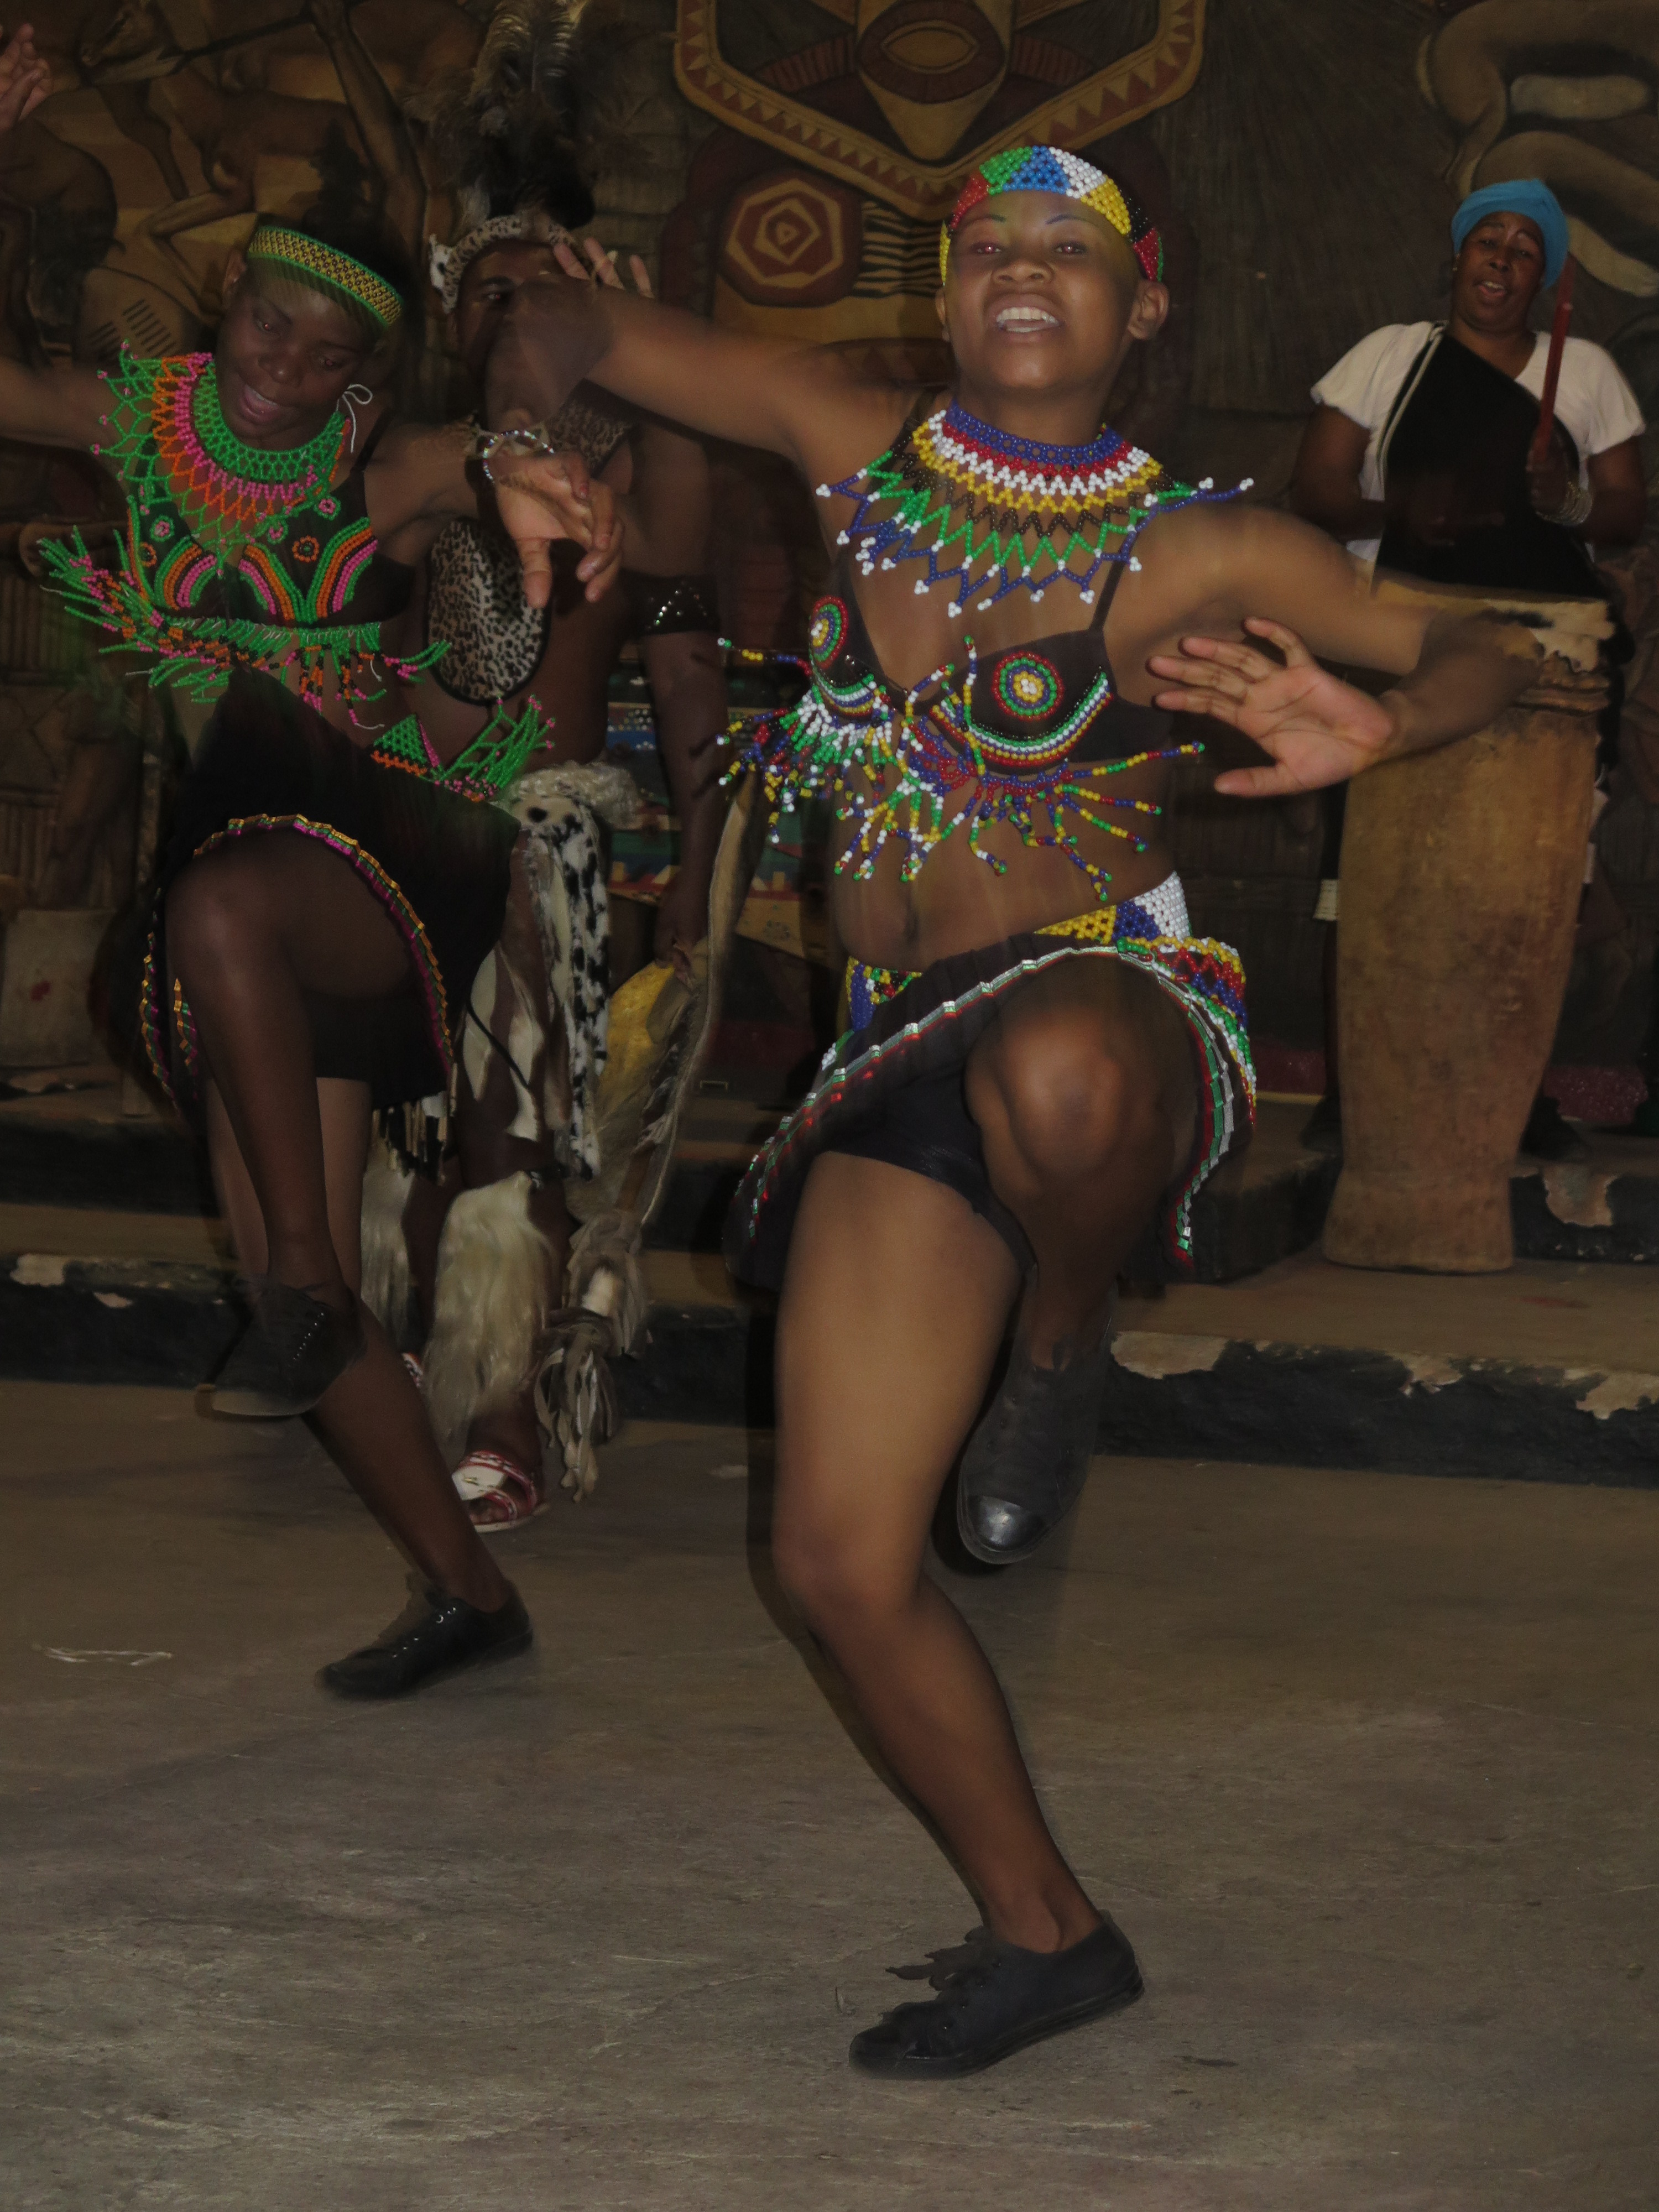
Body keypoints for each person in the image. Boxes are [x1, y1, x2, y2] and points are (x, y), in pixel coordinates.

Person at [484, 143, 1541, 2075]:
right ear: (945, 288)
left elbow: (1481, 645)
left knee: (1054, 1055)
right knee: (831, 1558)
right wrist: (517, 442)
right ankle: (1049, 1932)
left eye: (1075, 251)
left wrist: (1387, 720)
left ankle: (1064, 1333)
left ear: (1142, 311)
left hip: (1119, 1016)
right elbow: (554, 321)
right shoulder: (843, 444)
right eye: (990, 248)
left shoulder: (1205, 545)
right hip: (893, 1041)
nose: (1024, 271)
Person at [0, 25, 622, 1699]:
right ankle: (467, 1593)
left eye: (331, 346)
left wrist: (518, 472)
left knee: (212, 890)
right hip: (253, 936)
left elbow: (473, 467)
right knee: (305, 1265)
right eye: (269, 321)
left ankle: (292, 1300)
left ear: (362, 371)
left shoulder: (376, 462)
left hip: (391, 866)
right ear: (225, 313)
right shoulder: (135, 426)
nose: (288, 361)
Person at [374, 208, 728, 1527]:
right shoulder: (418, 457)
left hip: (539, 833)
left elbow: (689, 675)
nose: (512, 312)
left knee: (505, 1130)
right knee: (402, 1132)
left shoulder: (650, 466)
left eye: (542, 291)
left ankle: (508, 1405)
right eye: (487, 292)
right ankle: (422, 1360)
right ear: (453, 318)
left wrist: (698, 864)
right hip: (399, 819)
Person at [1290, 179, 1646, 1160]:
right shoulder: (1390, 357)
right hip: (1396, 630)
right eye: (1486, 239)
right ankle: (1355, 1092)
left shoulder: (1590, 374)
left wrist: (1566, 499)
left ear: (1547, 278)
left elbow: (1625, 511)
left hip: (1545, 649)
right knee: (1365, 874)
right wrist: (1394, 517)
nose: (1500, 257)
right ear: (1455, 259)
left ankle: (1507, 1095)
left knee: (1525, 877)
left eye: (1524, 248)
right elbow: (1315, 487)